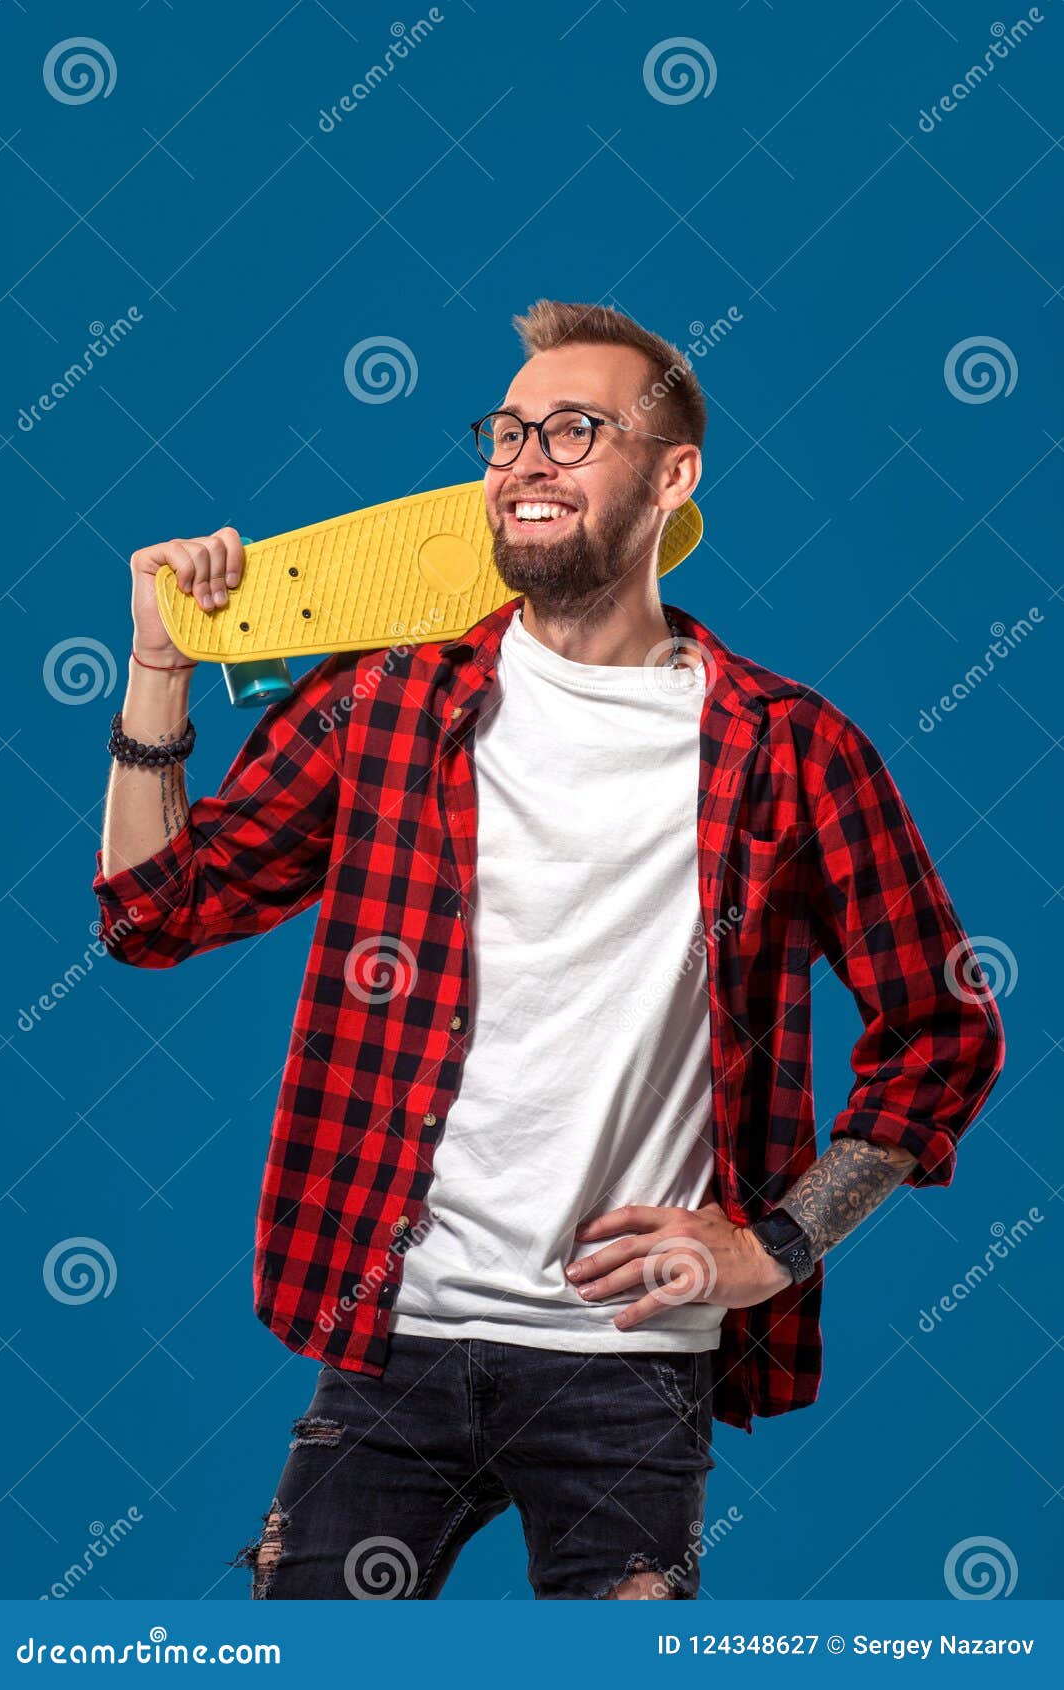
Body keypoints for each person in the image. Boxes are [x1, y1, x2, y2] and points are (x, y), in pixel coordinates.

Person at [93, 299, 1004, 1601]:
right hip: (392, 1342)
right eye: (507, 432)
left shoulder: (791, 751)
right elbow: (150, 913)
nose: (523, 459)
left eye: (573, 429)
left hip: (632, 1366)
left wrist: (777, 1245)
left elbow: (943, 1030)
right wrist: (158, 670)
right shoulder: (389, 709)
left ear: (674, 475)